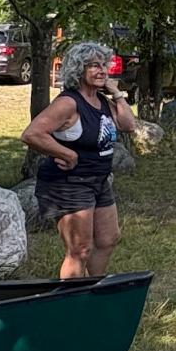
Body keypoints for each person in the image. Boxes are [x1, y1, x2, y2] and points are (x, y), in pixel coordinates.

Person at [22, 41, 137, 279]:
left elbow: (128, 126)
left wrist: (116, 94)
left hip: (99, 180)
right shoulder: (68, 103)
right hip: (69, 183)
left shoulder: (103, 101)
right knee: (80, 250)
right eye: (94, 66)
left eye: (104, 65)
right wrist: (66, 153)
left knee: (107, 239)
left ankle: (91, 291)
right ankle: (69, 302)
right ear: (78, 69)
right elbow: (32, 134)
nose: (102, 70)